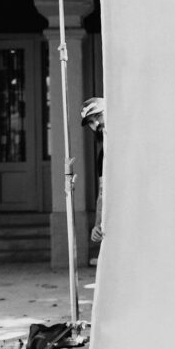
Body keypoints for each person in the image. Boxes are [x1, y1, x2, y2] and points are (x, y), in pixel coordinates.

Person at [81, 96, 105, 254]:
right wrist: (97, 224)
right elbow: (103, 192)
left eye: (97, 116)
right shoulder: (103, 155)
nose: (95, 124)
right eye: (90, 122)